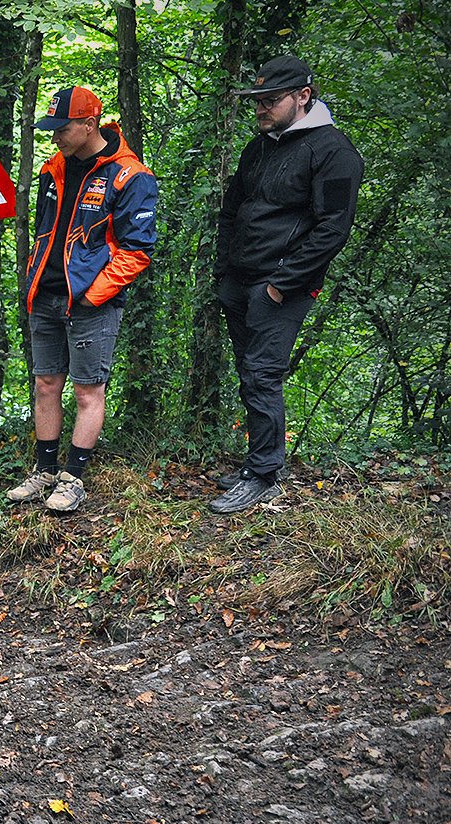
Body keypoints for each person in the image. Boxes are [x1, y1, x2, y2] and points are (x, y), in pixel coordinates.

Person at [210, 56, 363, 514]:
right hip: (240, 280)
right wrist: (223, 273)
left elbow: (333, 228)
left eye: (271, 100)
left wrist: (280, 284)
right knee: (249, 372)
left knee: (262, 373)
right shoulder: (257, 148)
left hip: (282, 286)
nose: (261, 108)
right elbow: (231, 211)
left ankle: (263, 476)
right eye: (257, 100)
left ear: (303, 96)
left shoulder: (333, 151)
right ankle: (260, 463)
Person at [8, 85, 158, 513]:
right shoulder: (52, 169)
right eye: (52, 129)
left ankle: (73, 477)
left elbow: (137, 249)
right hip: (45, 296)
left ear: (90, 124)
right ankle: (45, 471)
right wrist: (34, 280)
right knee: (45, 384)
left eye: (63, 128)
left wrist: (94, 295)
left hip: (91, 304)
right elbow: (44, 231)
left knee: (88, 390)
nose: (55, 136)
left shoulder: (130, 176)